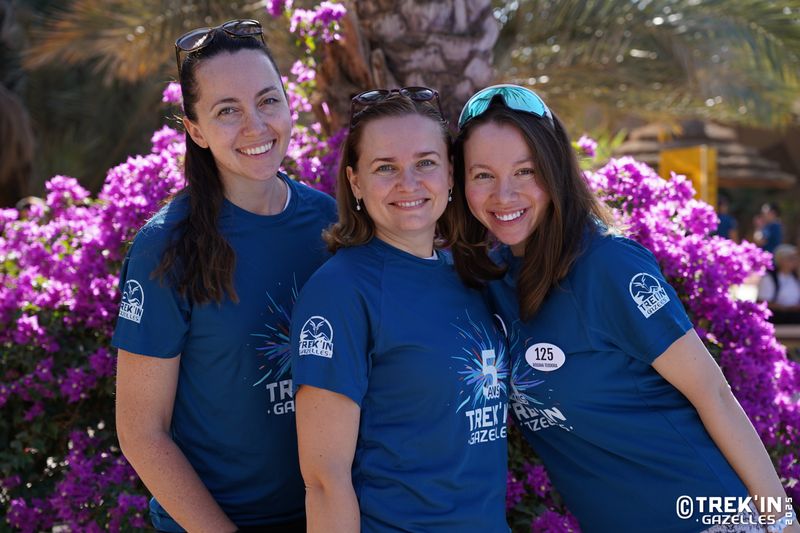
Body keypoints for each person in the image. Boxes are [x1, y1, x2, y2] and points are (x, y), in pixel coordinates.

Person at [450, 84, 798, 533]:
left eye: (525, 171)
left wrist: (783, 523)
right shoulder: (491, 280)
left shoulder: (608, 265)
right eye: (483, 175)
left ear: (556, 171)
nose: (504, 194)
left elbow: (714, 394)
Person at [113, 20, 336, 532]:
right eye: (227, 111)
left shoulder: (329, 222)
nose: (256, 126)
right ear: (195, 130)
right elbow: (141, 432)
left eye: (268, 101)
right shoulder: (165, 246)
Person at [290, 88, 509, 532]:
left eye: (425, 163)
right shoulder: (339, 293)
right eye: (385, 167)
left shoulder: (467, 275)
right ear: (355, 182)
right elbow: (325, 480)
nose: (408, 183)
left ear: (450, 173)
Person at [757, 244, 800, 324]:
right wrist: (787, 308)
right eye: (791, 258)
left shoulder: (795, 277)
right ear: (780, 260)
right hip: (777, 317)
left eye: (796, 258)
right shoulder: (769, 278)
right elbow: (763, 302)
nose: (795, 261)